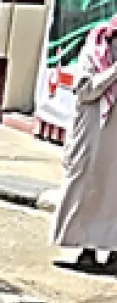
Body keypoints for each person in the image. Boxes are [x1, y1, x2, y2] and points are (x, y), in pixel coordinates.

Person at [53, 13, 117, 271]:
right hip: (92, 133)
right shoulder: (94, 49)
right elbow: (85, 91)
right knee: (87, 189)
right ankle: (85, 250)